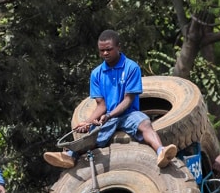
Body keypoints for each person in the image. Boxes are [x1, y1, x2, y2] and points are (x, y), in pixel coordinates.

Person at [43, 29, 177, 169]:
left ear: (118, 47)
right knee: (92, 136)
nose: (105, 53)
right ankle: (69, 156)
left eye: (109, 49)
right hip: (107, 117)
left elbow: (128, 100)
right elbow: (101, 105)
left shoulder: (131, 67)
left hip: (128, 114)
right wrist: (87, 122)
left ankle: (161, 151)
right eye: (101, 50)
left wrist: (109, 115)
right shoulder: (96, 74)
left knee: (144, 123)